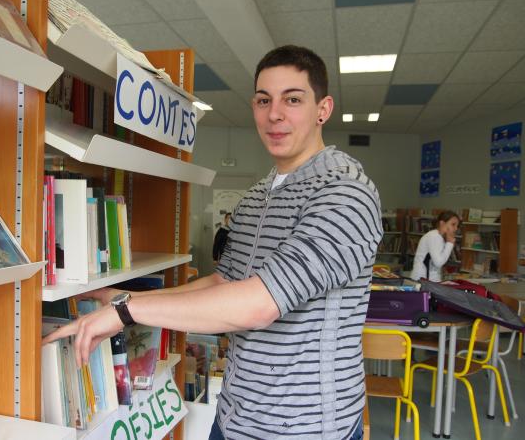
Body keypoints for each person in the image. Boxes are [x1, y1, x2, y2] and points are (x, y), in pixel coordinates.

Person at [43, 45, 382, 440]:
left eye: (292, 99)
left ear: (323, 109)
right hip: (235, 415)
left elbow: (259, 304)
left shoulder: (345, 194)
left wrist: (127, 312)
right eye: (264, 100)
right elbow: (224, 282)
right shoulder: (257, 196)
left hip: (306, 429)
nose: (274, 114)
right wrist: (126, 298)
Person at [410, 211, 460, 282]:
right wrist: (449, 243)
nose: (456, 228)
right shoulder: (434, 236)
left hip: (427, 279)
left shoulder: (439, 236)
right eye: (453, 224)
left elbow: (438, 260)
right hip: (423, 280)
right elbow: (438, 263)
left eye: (457, 226)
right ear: (442, 223)